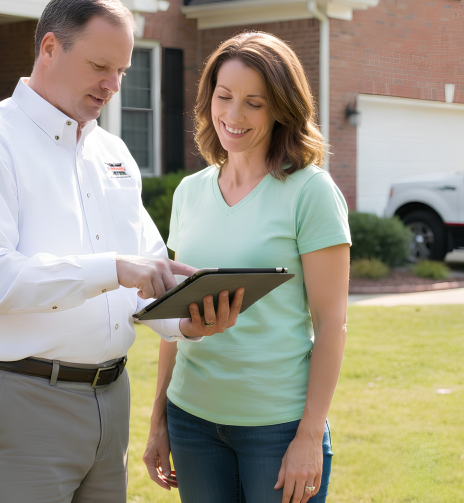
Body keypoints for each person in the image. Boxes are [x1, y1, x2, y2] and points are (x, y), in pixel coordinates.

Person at [0, 0, 240, 503]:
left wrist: (187, 320)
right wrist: (112, 268)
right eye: (100, 65)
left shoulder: (113, 153)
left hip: (110, 401)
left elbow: (149, 273)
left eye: (122, 69)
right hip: (21, 403)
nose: (114, 84)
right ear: (49, 48)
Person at [142, 31, 351, 503]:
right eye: (224, 96)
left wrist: (308, 436)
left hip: (276, 427)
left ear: (281, 108)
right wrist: (158, 419)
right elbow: (178, 313)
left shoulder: (310, 192)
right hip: (191, 419)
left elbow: (332, 323)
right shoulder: (189, 192)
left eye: (254, 103)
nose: (233, 116)